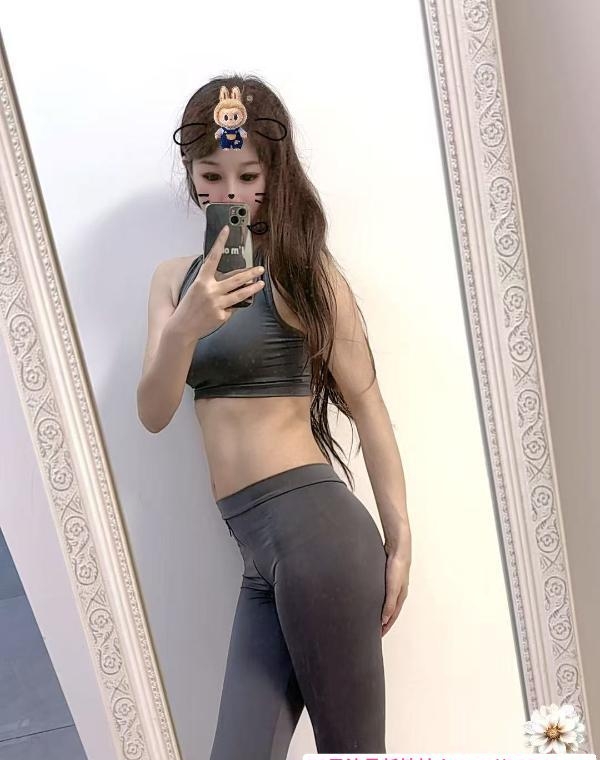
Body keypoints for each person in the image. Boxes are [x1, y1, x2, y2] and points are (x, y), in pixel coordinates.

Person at [137, 74, 412, 759]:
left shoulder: (303, 272)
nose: (230, 194)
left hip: (318, 537)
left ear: (273, 175)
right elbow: (153, 411)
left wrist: (401, 535)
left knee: (352, 750)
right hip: (258, 558)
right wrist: (185, 327)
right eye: (212, 176)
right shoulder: (173, 280)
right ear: (190, 175)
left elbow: (368, 404)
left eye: (248, 176)